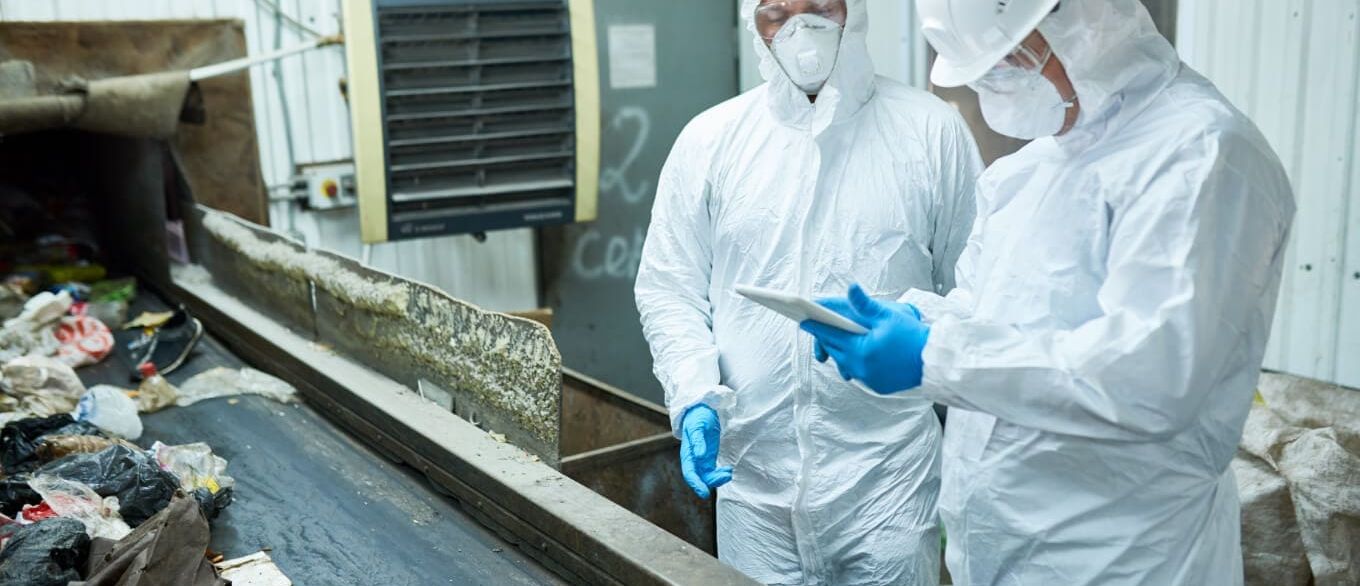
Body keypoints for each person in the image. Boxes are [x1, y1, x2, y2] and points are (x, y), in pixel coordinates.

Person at [802, 0, 1296, 584]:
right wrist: (915, 319)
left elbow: (1151, 380)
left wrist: (932, 355)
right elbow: (989, 315)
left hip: (1124, 558)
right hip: (1000, 549)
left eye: (1014, 58)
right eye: (988, 72)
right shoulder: (1029, 170)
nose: (1003, 85)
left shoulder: (1200, 153)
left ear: (1088, 20)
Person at [634, 0, 983, 583]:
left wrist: (922, 333)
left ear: (854, 10)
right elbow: (670, 285)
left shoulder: (930, 131)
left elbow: (979, 288)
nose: (800, 29)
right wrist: (693, 392)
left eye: (820, 7)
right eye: (777, 13)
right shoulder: (711, 140)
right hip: (754, 483)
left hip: (887, 480)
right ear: (754, 23)